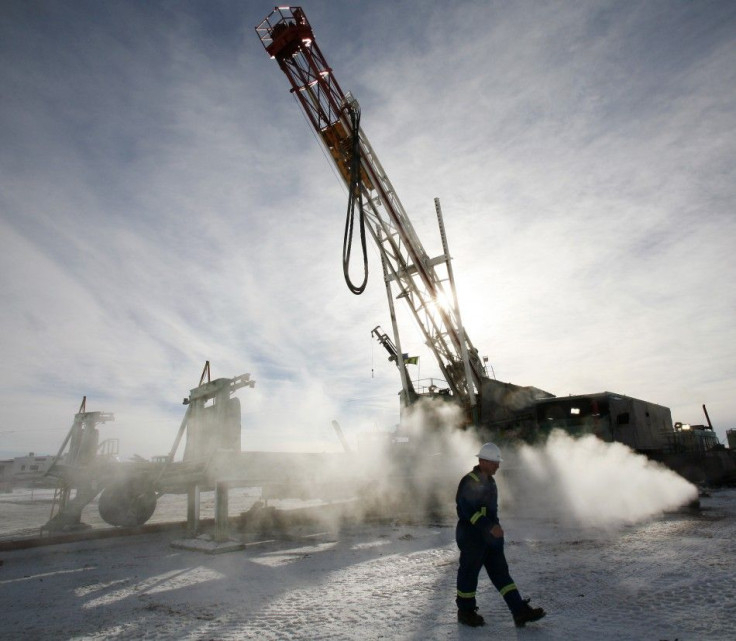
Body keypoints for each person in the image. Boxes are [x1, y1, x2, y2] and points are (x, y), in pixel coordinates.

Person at [455, 442, 546, 628]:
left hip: (490, 539)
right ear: (482, 461)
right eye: (495, 462)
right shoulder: (470, 480)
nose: (498, 465)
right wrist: (489, 526)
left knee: (501, 575)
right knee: (469, 573)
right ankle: (465, 611)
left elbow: (491, 510)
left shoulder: (491, 481)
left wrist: (497, 531)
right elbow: (467, 510)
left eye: (498, 462)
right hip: (472, 537)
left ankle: (519, 611)